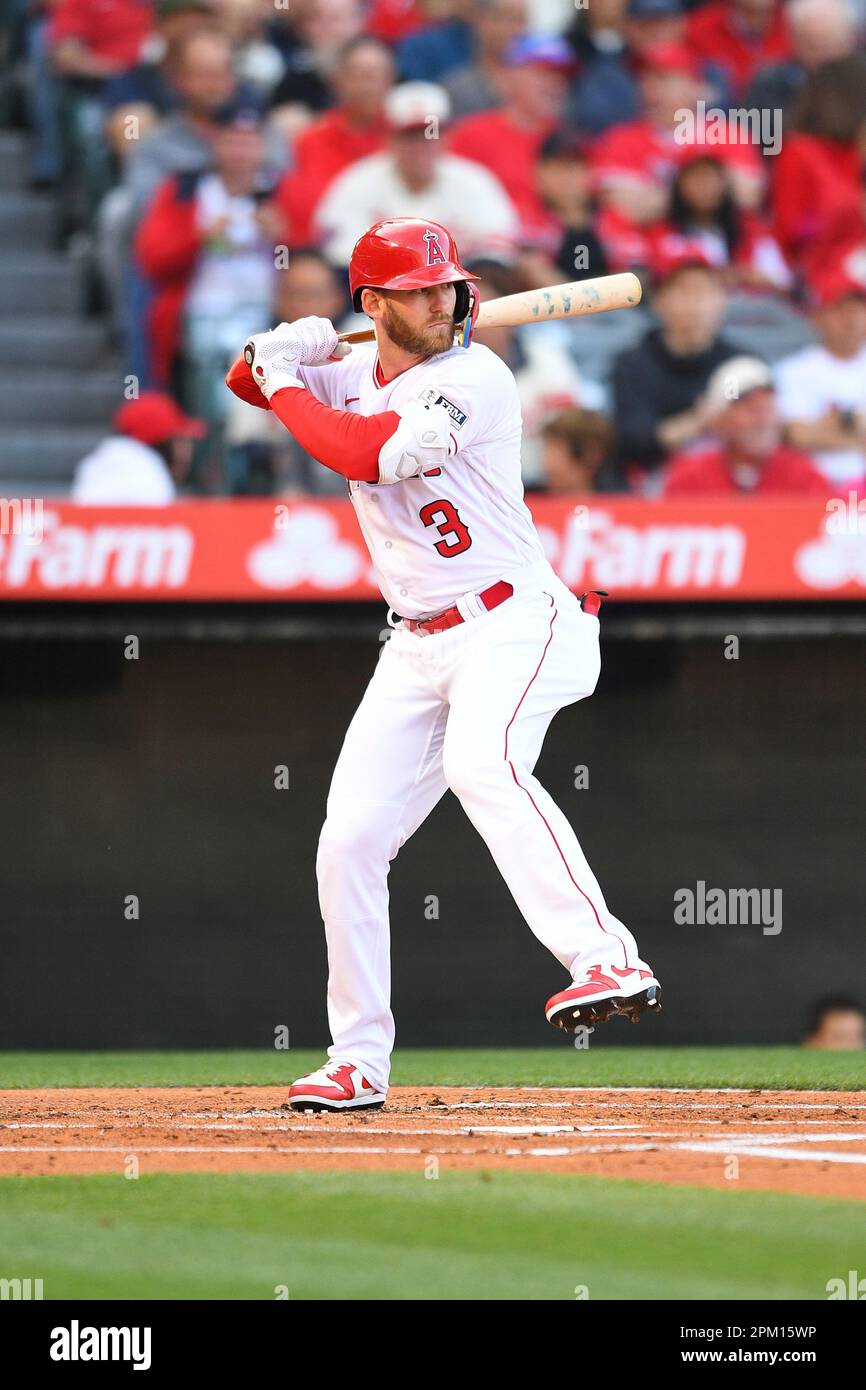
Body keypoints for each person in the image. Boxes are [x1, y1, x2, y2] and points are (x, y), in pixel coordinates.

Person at [225, 216, 662, 1111]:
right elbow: (243, 380)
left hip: (516, 618)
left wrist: (282, 377)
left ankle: (608, 958)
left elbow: (362, 452)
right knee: (347, 843)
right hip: (416, 641)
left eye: (447, 285)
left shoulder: (478, 377)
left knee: (482, 765)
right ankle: (358, 1060)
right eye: (418, 289)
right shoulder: (352, 366)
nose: (443, 299)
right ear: (374, 305)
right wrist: (284, 346)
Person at [314, 82, 519, 268]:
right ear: (390, 138)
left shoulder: (475, 182)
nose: (421, 146)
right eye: (410, 136)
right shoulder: (357, 182)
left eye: (430, 134)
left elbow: (496, 257)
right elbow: (339, 258)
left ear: (448, 137)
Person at [611, 250, 737, 491]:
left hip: (729, 487)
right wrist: (700, 421)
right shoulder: (633, 364)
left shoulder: (741, 361)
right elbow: (635, 442)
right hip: (654, 488)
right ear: (659, 300)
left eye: (705, 291)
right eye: (684, 291)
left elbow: (763, 439)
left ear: (722, 299)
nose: (695, 303)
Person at [446, 33, 575, 240]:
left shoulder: (570, 140)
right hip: (489, 254)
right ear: (508, 76)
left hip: (557, 253)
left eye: (561, 75)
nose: (555, 83)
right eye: (542, 73)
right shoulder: (471, 135)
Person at [275, 36, 395, 250]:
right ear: (338, 81)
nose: (367, 86)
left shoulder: (404, 140)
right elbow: (298, 216)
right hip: (327, 258)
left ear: (390, 82)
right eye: (359, 76)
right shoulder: (310, 141)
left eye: (376, 76)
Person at [662, 356, 827, 495]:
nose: (762, 420)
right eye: (750, 408)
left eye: (767, 407)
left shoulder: (803, 475)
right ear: (719, 419)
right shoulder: (691, 477)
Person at [770, 54, 866, 285]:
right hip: (823, 271)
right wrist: (854, 207)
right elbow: (793, 230)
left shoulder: (857, 150)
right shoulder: (800, 151)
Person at [646, 152, 791, 291]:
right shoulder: (662, 233)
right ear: (679, 184)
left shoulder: (752, 228)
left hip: (753, 307)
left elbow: (781, 281)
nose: (704, 186)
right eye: (696, 178)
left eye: (711, 177)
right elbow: (662, 282)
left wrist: (744, 275)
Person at [774, 272, 866, 490]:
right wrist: (856, 428)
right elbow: (798, 435)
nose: (850, 318)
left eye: (857, 309)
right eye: (840, 309)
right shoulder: (793, 370)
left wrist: (832, 424)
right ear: (818, 316)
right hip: (813, 488)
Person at [71, 391, 205, 504]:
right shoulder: (149, 476)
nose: (186, 452)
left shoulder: (95, 463)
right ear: (162, 442)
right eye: (179, 440)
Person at [538, 408, 618, 492]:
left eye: (556, 451)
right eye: (547, 448)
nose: (547, 462)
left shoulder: (623, 500)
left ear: (590, 457)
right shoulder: (526, 499)